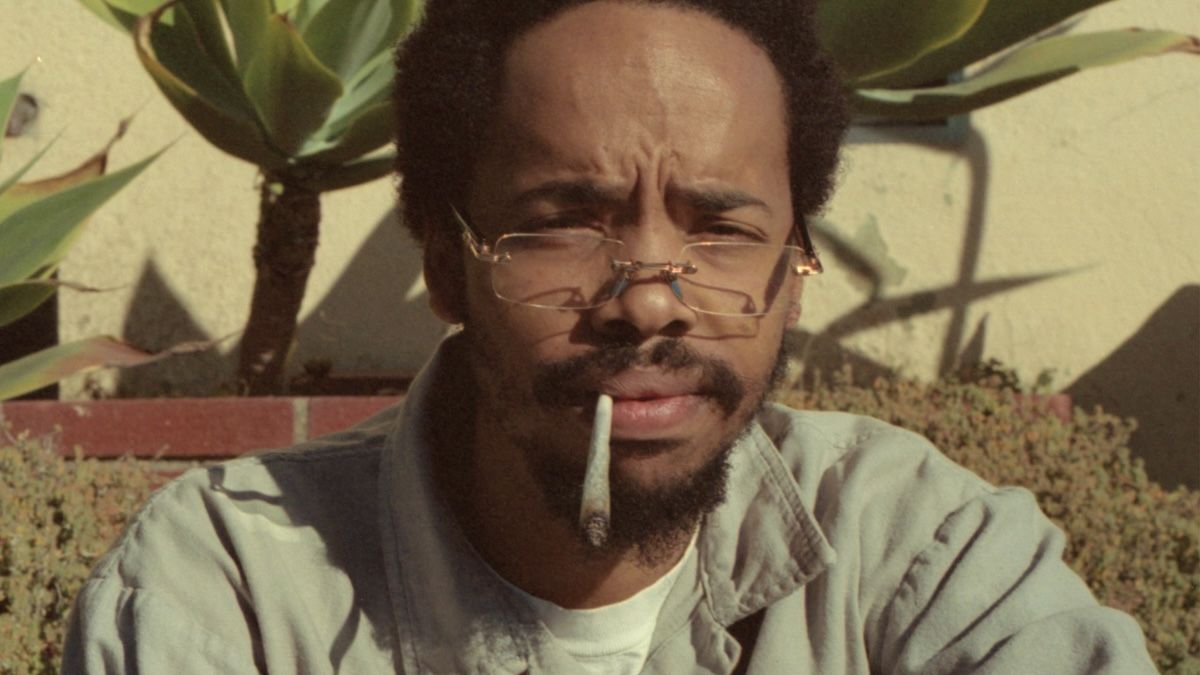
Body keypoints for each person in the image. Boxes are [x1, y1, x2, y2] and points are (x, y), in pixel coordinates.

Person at [64, 1, 1159, 673]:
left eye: (721, 228)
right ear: (446, 264)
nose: (649, 302)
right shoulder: (236, 591)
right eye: (565, 222)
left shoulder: (920, 555)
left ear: (792, 270)